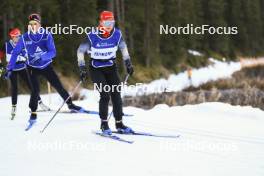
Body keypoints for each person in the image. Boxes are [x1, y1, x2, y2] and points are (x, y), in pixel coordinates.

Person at [6, 13, 84, 125]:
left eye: (35, 24)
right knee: (35, 90)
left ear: (39, 24)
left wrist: (42, 56)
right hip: (32, 67)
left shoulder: (46, 35)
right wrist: (10, 68)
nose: (33, 26)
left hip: (46, 65)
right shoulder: (25, 37)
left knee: (58, 85)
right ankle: (33, 111)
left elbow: (53, 52)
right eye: (31, 24)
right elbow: (15, 53)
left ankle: (70, 104)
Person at [77, 11, 134, 135]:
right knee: (105, 94)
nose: (110, 25)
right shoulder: (92, 35)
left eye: (112, 22)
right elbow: (80, 51)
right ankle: (104, 124)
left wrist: (128, 63)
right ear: (101, 22)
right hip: (96, 68)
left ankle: (119, 124)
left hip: (111, 67)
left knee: (116, 94)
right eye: (107, 22)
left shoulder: (117, 34)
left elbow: (123, 48)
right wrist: (82, 67)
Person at [1, 28, 50, 120]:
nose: (19, 38)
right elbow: (1, 55)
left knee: (32, 87)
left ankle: (40, 103)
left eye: (20, 36)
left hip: (22, 68)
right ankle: (13, 109)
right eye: (16, 37)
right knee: (14, 88)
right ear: (12, 37)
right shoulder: (7, 45)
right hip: (12, 70)